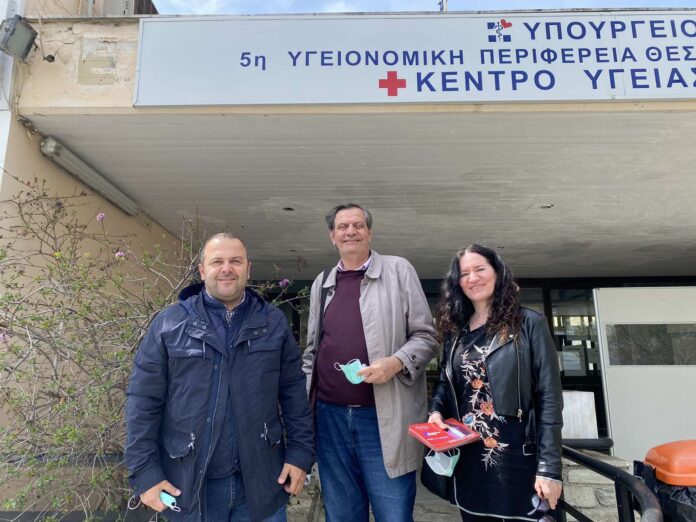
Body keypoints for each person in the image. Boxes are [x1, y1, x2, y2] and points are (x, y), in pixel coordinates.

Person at [125, 233, 314, 522]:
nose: (227, 268)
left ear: (248, 269)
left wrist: (300, 454)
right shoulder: (170, 324)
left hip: (262, 483)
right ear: (203, 271)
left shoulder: (272, 322)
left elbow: (294, 394)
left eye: (235, 261)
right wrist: (145, 472)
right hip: (189, 485)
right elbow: (143, 400)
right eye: (217, 262)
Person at [302, 203, 438, 522]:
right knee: (342, 514)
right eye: (343, 227)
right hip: (330, 418)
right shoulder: (322, 282)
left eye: (358, 225)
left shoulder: (398, 270)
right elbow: (312, 353)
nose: (350, 231)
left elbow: (427, 337)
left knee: (393, 514)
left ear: (370, 232)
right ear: (332, 236)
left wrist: (397, 362)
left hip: (382, 419)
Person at [428, 244, 563, 522]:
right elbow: (444, 381)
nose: (473, 278)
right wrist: (436, 411)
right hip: (469, 463)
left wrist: (549, 468)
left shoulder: (529, 323)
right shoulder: (456, 332)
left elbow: (549, 397)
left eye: (480, 269)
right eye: (464, 273)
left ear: (498, 273)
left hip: (520, 462)